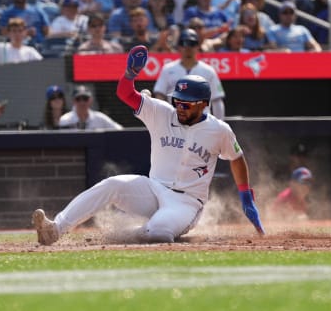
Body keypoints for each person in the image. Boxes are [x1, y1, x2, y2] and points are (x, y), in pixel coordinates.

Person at [32, 45, 265, 245]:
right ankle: (55, 229)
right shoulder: (163, 112)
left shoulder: (219, 130)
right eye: (177, 101)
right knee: (111, 184)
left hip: (187, 202)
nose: (180, 107)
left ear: (203, 104)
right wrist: (130, 73)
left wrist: (246, 197)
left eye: (187, 104)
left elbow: (236, 158)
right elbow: (125, 93)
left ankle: (131, 235)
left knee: (159, 232)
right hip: (153, 188)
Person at [153, 29, 225, 120]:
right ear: (178, 47)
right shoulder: (168, 69)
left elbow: (217, 99)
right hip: (175, 121)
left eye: (192, 44)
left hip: (203, 123)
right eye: (184, 43)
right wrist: (163, 121)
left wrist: (219, 125)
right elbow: (160, 95)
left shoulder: (208, 70)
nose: (188, 47)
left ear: (198, 46)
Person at [58, 85, 123, 130]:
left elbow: (120, 130)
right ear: (73, 100)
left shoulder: (100, 118)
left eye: (85, 98)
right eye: (78, 99)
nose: (82, 102)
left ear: (90, 100)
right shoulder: (65, 120)